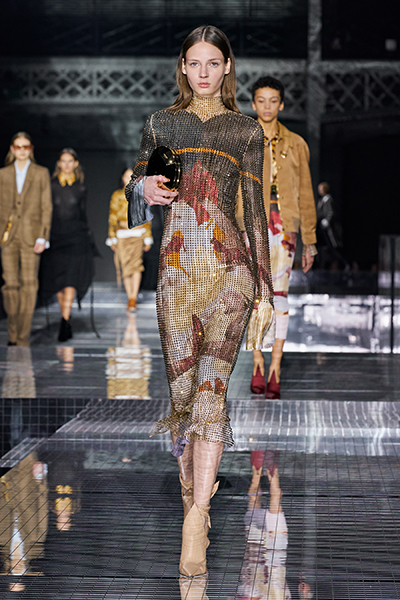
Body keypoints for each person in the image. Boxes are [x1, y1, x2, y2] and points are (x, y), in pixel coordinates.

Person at [126, 25, 274, 578]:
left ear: (228, 66)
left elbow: (255, 213)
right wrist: (142, 189)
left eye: (214, 62)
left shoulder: (245, 131)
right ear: (183, 68)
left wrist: (264, 293)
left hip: (231, 275)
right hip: (176, 273)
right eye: (195, 63)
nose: (204, 72)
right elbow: (139, 186)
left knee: (211, 392)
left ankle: (197, 519)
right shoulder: (162, 124)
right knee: (183, 397)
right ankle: (194, 496)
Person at [237, 76, 317, 400]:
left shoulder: (296, 143)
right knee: (256, 294)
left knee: (280, 295)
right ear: (254, 103)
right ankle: (257, 361)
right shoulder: (243, 140)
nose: (267, 106)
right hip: (251, 224)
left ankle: (276, 368)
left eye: (273, 100)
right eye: (261, 100)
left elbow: (306, 193)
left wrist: (310, 240)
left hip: (285, 226)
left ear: (281, 104)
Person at [0, 132, 52, 346]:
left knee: (29, 284)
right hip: (8, 236)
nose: (22, 150)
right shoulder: (3, 174)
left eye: (26, 147)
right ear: (12, 149)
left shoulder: (41, 173)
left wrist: (43, 236)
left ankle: (22, 335)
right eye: (18, 147)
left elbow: (46, 206)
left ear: (31, 149)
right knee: (10, 284)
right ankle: (13, 331)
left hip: (32, 236)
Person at [39, 148, 95, 342]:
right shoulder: (51, 186)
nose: (67, 165)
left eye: (70, 161)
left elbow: (82, 214)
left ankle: (64, 319)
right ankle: (66, 317)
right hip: (55, 238)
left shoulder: (81, 187)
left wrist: (88, 238)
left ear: (76, 163)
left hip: (75, 238)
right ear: (58, 163)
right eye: (63, 161)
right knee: (59, 282)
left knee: (70, 280)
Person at [106, 168, 153, 312]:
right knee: (126, 267)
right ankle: (130, 296)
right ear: (122, 178)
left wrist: (147, 237)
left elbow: (146, 217)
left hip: (137, 235)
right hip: (122, 235)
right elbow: (113, 217)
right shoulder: (117, 195)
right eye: (127, 176)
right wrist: (112, 237)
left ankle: (133, 298)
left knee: (136, 266)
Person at [317, 181, 347, 270]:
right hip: (322, 227)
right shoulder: (322, 200)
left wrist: (326, 221)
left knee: (333, 247)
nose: (319, 190)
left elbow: (331, 212)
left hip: (329, 229)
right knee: (323, 248)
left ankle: (344, 263)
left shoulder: (328, 200)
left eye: (321, 188)